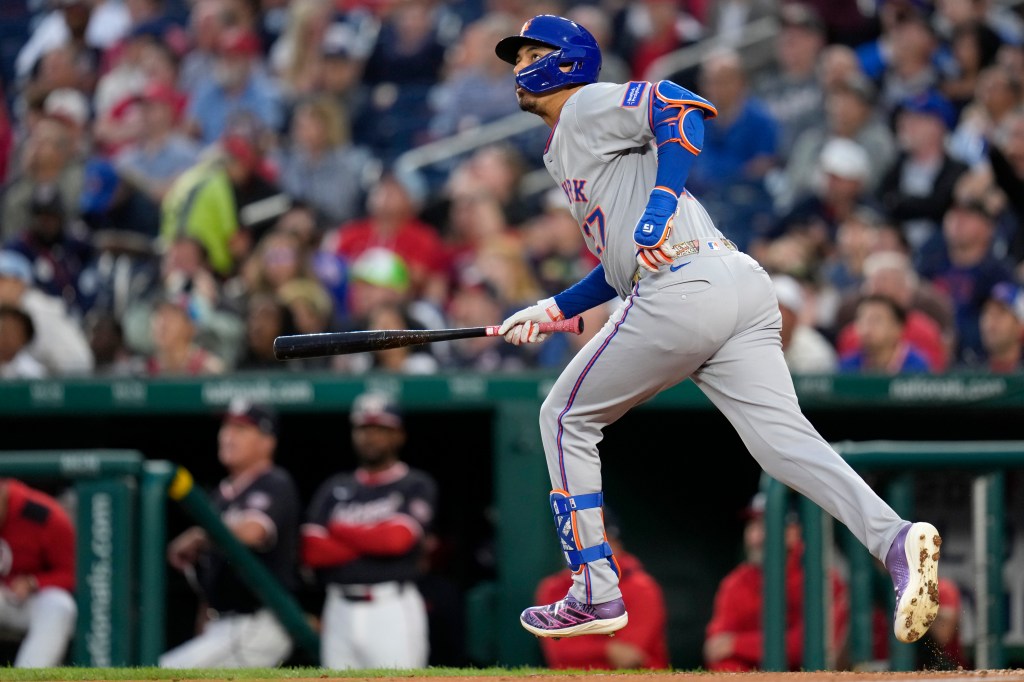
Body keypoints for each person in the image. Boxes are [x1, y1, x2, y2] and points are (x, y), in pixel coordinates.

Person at [491, 14, 942, 646]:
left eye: (530, 53)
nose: (518, 66)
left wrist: (660, 203)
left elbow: (682, 106)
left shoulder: (588, 105)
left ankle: (594, 585)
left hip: (685, 289)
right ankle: (894, 538)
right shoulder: (566, 140)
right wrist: (555, 307)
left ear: (565, 60)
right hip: (733, 284)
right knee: (784, 445)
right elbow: (621, 263)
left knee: (563, 417)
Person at [301, 391, 437, 669]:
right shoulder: (335, 487)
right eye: (364, 428)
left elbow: (395, 541)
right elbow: (312, 550)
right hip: (338, 606)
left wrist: (338, 530)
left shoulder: (415, 483)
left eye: (380, 429)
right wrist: (370, 538)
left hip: (391, 606)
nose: (371, 436)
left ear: (399, 435)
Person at [160, 399, 300, 668]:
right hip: (222, 622)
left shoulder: (274, 482)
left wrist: (202, 536)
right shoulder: (222, 494)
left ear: (267, 442)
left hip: (259, 622)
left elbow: (253, 532)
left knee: (164, 672)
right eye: (226, 427)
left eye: (241, 429)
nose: (228, 436)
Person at [704, 492, 848, 671]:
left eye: (764, 526)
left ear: (794, 532)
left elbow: (811, 644)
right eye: (752, 526)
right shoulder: (736, 583)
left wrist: (736, 645)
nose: (754, 538)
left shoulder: (822, 578)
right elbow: (716, 648)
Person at [534, 507, 668, 670]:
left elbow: (629, 657)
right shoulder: (554, 588)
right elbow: (558, 653)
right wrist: (607, 649)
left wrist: (582, 647)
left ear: (615, 544)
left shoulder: (642, 588)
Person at [0, 478, 77, 667]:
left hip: (28, 599)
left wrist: (33, 582)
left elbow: (71, 573)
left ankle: (27, 678)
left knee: (59, 605)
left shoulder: (44, 515)